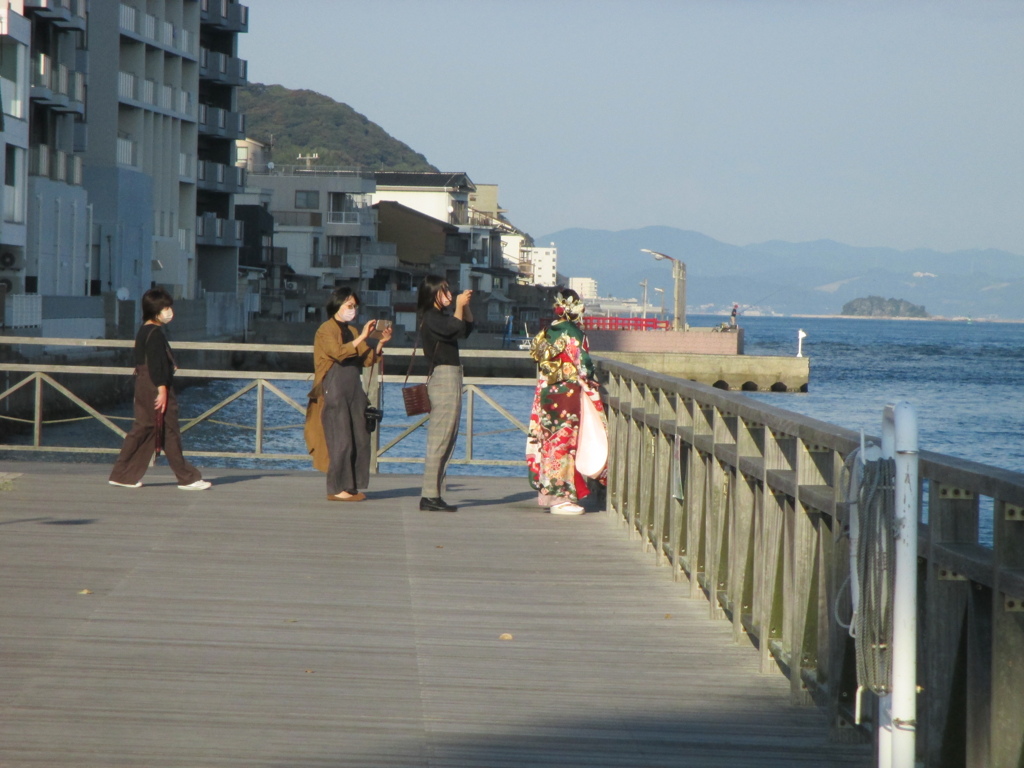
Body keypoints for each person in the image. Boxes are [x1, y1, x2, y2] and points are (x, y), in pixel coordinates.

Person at [109, 288, 211, 490]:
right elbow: (156, 365)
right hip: (155, 385)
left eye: (169, 307)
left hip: (145, 384)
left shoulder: (144, 330)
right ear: (154, 310)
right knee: (168, 429)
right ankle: (187, 478)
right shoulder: (154, 333)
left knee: (147, 428)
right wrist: (162, 390)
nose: (169, 312)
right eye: (165, 308)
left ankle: (123, 474)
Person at [304, 288, 392, 502]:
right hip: (333, 387)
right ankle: (336, 488)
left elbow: (367, 358)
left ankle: (351, 486)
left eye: (355, 306)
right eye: (349, 306)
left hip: (353, 387)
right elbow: (338, 353)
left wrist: (379, 343)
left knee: (359, 437)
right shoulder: (325, 330)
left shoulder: (351, 331)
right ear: (337, 306)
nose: (353, 310)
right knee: (340, 439)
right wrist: (363, 335)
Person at [526, 288, 607, 514]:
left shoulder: (548, 331)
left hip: (547, 391)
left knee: (550, 441)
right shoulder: (574, 333)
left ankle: (550, 493)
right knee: (566, 443)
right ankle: (562, 497)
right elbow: (584, 366)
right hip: (567, 394)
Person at [417, 275, 473, 512]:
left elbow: (465, 329)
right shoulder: (431, 317)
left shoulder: (440, 316)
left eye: (449, 290)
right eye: (444, 291)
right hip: (443, 379)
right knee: (439, 440)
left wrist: (465, 306)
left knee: (447, 439)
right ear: (433, 294)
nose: (449, 294)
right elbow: (454, 328)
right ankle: (429, 496)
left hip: (451, 377)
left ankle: (435, 494)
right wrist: (459, 306)